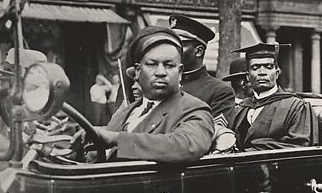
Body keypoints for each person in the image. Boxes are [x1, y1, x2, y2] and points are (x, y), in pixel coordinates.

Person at [71, 26, 215, 163]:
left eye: (169, 65)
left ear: (180, 72)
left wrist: (116, 139)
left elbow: (187, 146)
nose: (161, 72)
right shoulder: (126, 112)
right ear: (138, 71)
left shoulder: (194, 109)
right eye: (152, 64)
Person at [230, 42, 316, 150]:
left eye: (268, 67)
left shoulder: (296, 107)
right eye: (255, 67)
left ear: (277, 72)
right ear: (247, 76)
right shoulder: (242, 109)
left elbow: (298, 147)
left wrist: (255, 147)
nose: (262, 72)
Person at [169, 14, 235, 128]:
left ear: (199, 51)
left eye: (179, 46)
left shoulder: (220, 91)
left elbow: (213, 133)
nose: (172, 51)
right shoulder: (165, 83)